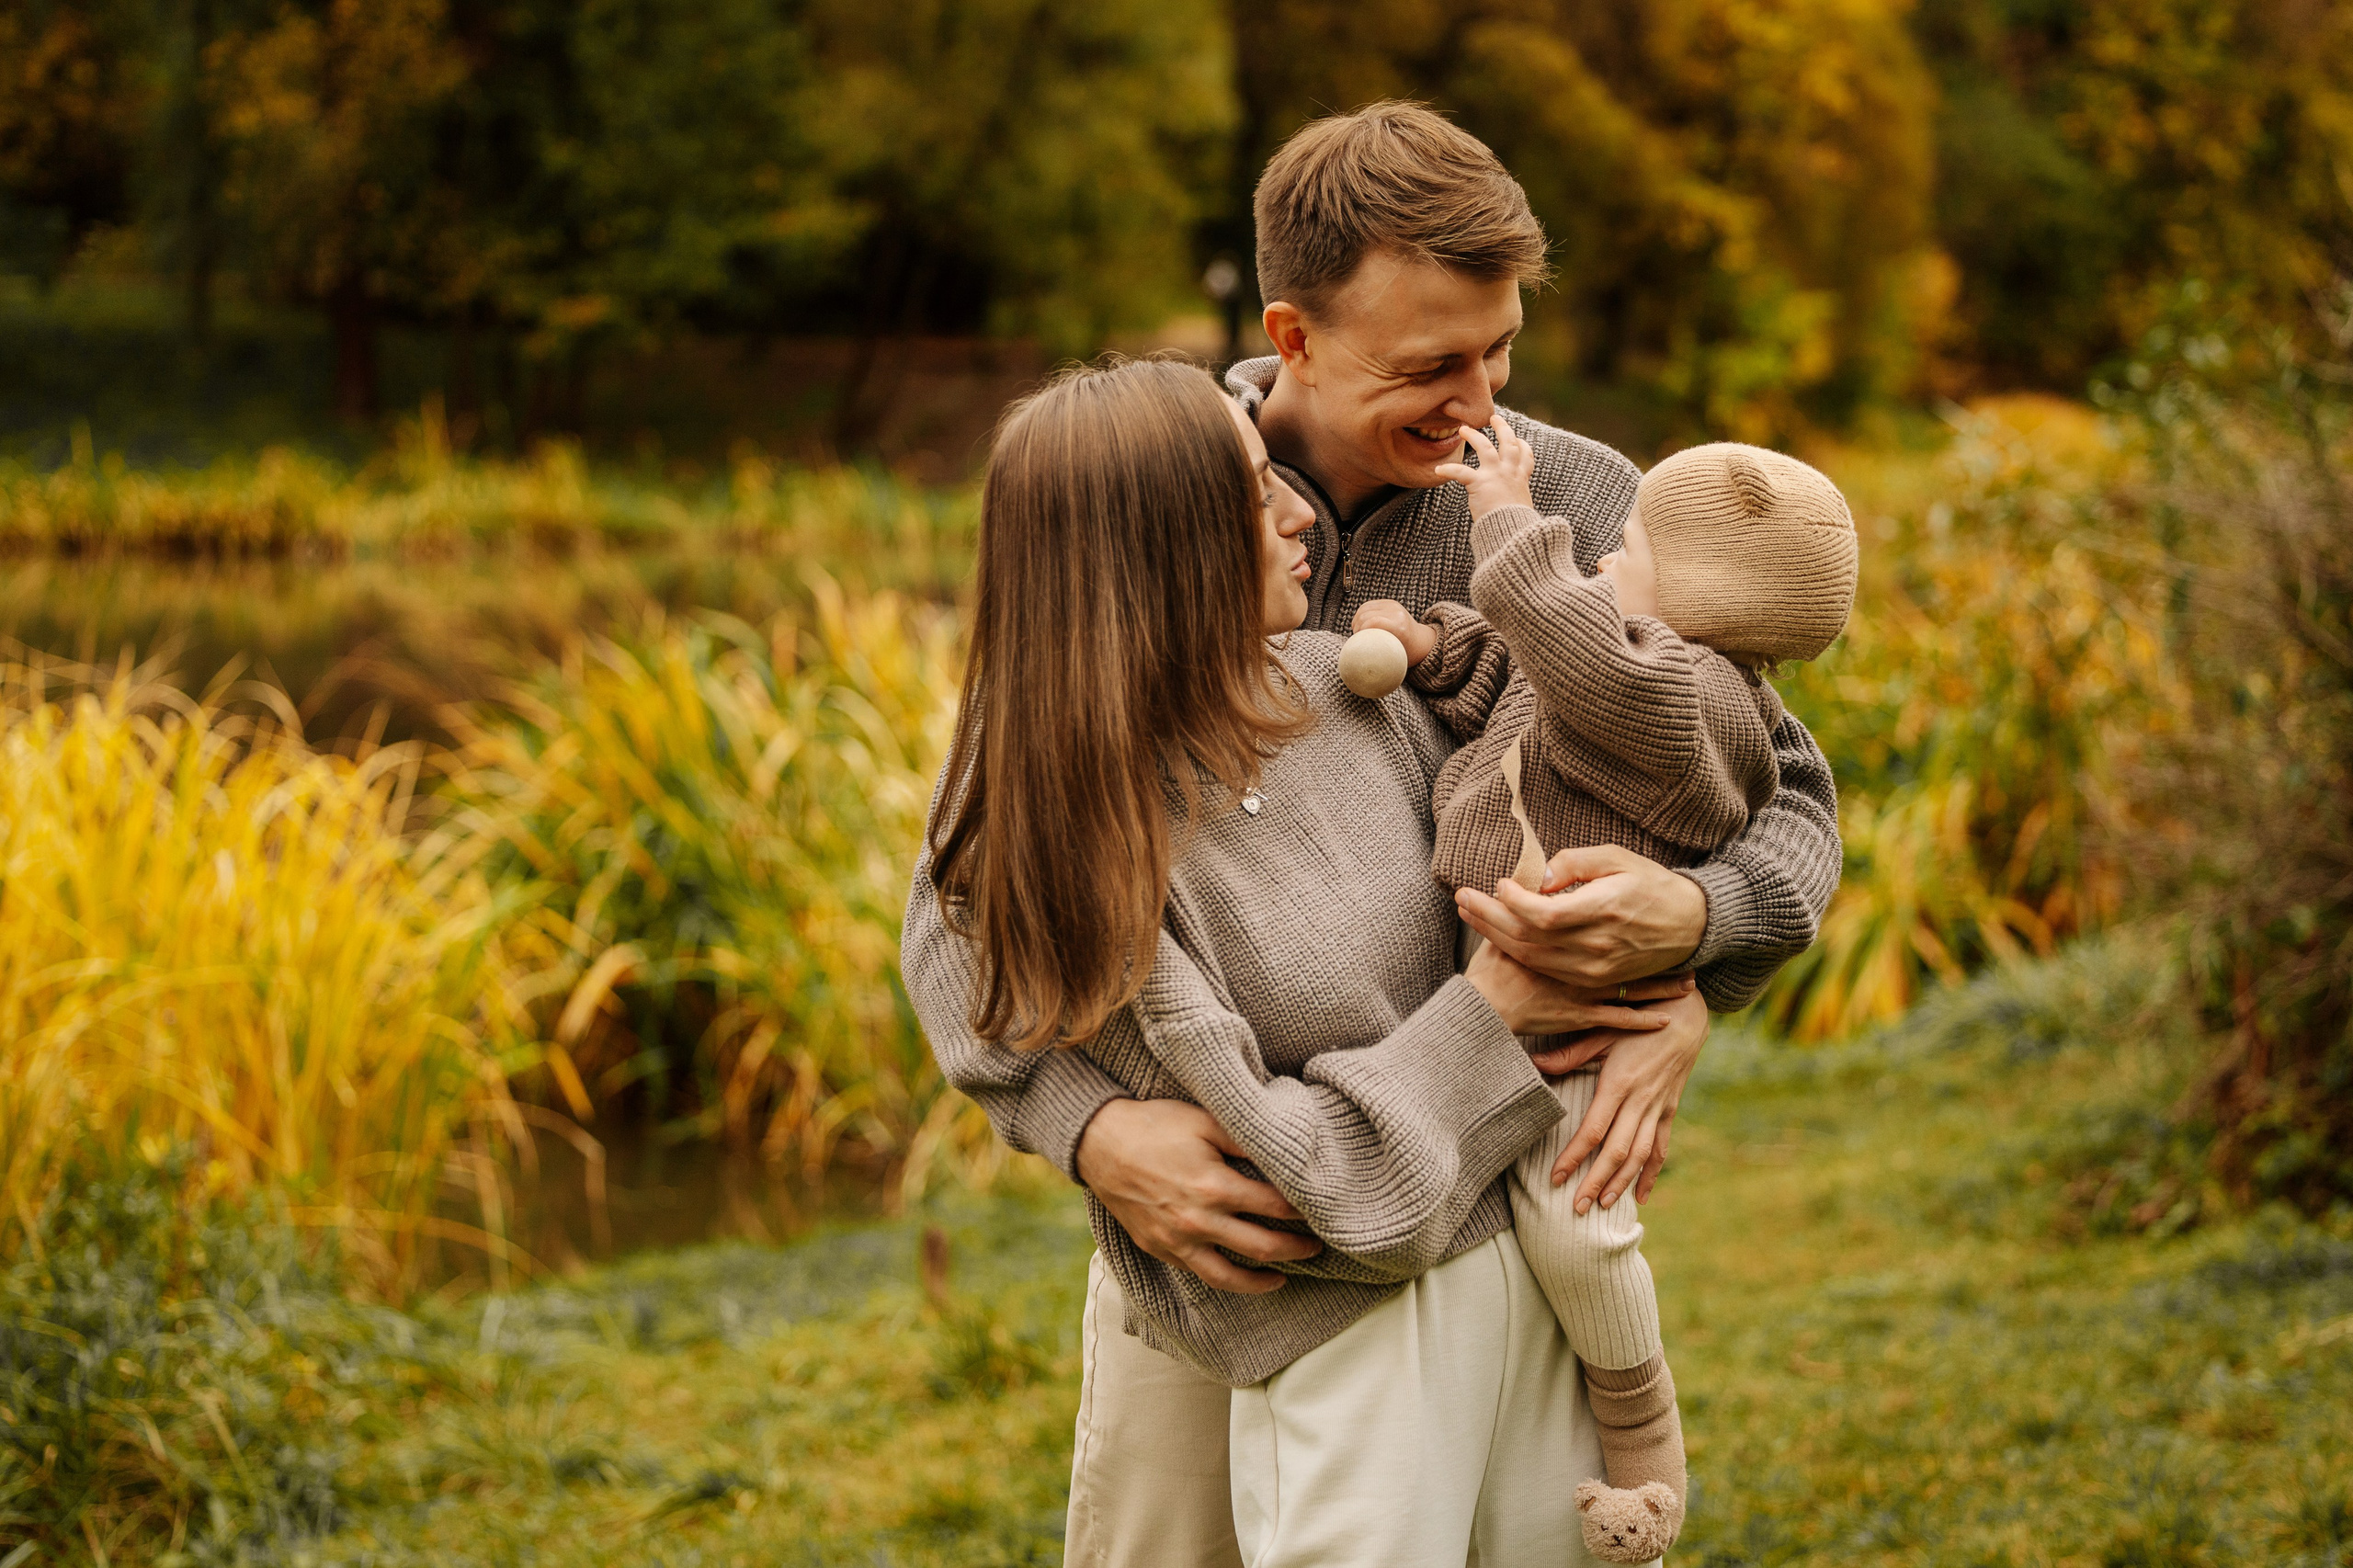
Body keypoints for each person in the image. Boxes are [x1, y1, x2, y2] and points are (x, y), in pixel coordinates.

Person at [900, 101, 1841, 1564]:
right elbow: (970, 885)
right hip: (1216, 1219)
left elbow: (1776, 786)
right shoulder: (1144, 483)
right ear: (1294, 331)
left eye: (1502, 349)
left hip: (1483, 1179)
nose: (1481, 406)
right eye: (1430, 365)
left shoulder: (1573, 501)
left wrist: (1695, 940)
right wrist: (1087, 1128)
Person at [926, 355, 1655, 1562]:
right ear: (1160, 549)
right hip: (1337, 1347)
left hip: (1517, 1283)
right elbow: (1321, 1193)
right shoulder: (1098, 859)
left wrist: (1683, 944)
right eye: (1257, 488)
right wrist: (1498, 1007)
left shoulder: (1344, 688)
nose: (1301, 510)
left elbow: (1676, 749)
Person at [1353, 426, 1861, 1561]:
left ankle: (1644, 1449)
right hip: (1486, 996)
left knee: (1581, 1232)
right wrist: (1430, 640)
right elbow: (1518, 663)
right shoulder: (1625, 657)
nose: (1592, 560)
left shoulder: (1699, 705)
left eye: (1619, 546)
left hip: (1585, 1025)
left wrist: (1507, 525)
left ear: (1707, 604)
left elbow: (1578, 657)